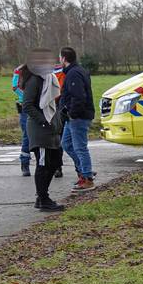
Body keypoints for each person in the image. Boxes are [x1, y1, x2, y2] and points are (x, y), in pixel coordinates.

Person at [22, 50, 65, 212]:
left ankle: (42, 197)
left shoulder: (49, 79)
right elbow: (27, 105)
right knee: (43, 164)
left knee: (55, 161)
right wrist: (44, 122)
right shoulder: (34, 80)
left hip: (52, 127)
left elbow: (53, 103)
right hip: (40, 129)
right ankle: (43, 199)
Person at [59, 47, 95, 191]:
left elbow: (79, 96)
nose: (59, 60)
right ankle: (84, 170)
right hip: (72, 117)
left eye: (59, 57)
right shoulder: (76, 71)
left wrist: (73, 113)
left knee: (80, 147)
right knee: (66, 144)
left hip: (78, 117)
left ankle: (87, 178)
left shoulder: (74, 73)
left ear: (64, 58)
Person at [11, 64, 32, 177]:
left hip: (38, 106)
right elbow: (15, 87)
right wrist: (28, 96)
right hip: (25, 106)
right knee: (27, 135)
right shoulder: (19, 71)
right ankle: (25, 163)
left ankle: (46, 165)